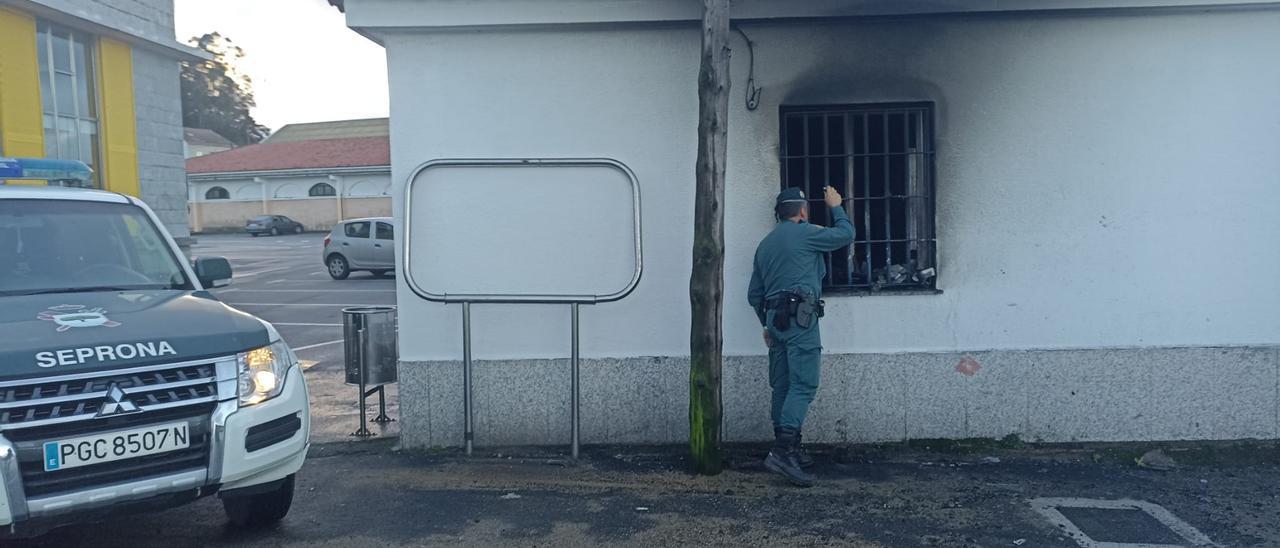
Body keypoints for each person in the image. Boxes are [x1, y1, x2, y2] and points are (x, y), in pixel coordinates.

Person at [747, 185, 855, 486]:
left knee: (781, 384)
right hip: (800, 318)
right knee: (803, 384)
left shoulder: (765, 245)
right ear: (803, 211)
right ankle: (783, 451)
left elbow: (754, 294)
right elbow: (845, 234)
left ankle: (788, 447)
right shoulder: (807, 233)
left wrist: (766, 325)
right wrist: (836, 206)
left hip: (775, 320)